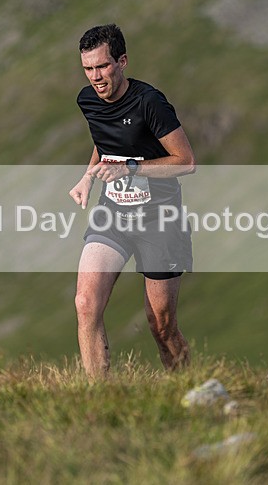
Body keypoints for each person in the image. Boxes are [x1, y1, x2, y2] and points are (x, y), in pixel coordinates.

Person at [68, 24, 196, 378]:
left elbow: (186, 162)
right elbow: (105, 140)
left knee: (161, 325)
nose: (96, 77)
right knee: (85, 303)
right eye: (88, 69)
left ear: (121, 61)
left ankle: (190, 389)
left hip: (159, 220)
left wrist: (131, 168)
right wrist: (88, 176)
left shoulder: (149, 102)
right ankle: (100, 399)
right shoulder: (87, 99)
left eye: (103, 66)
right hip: (113, 215)